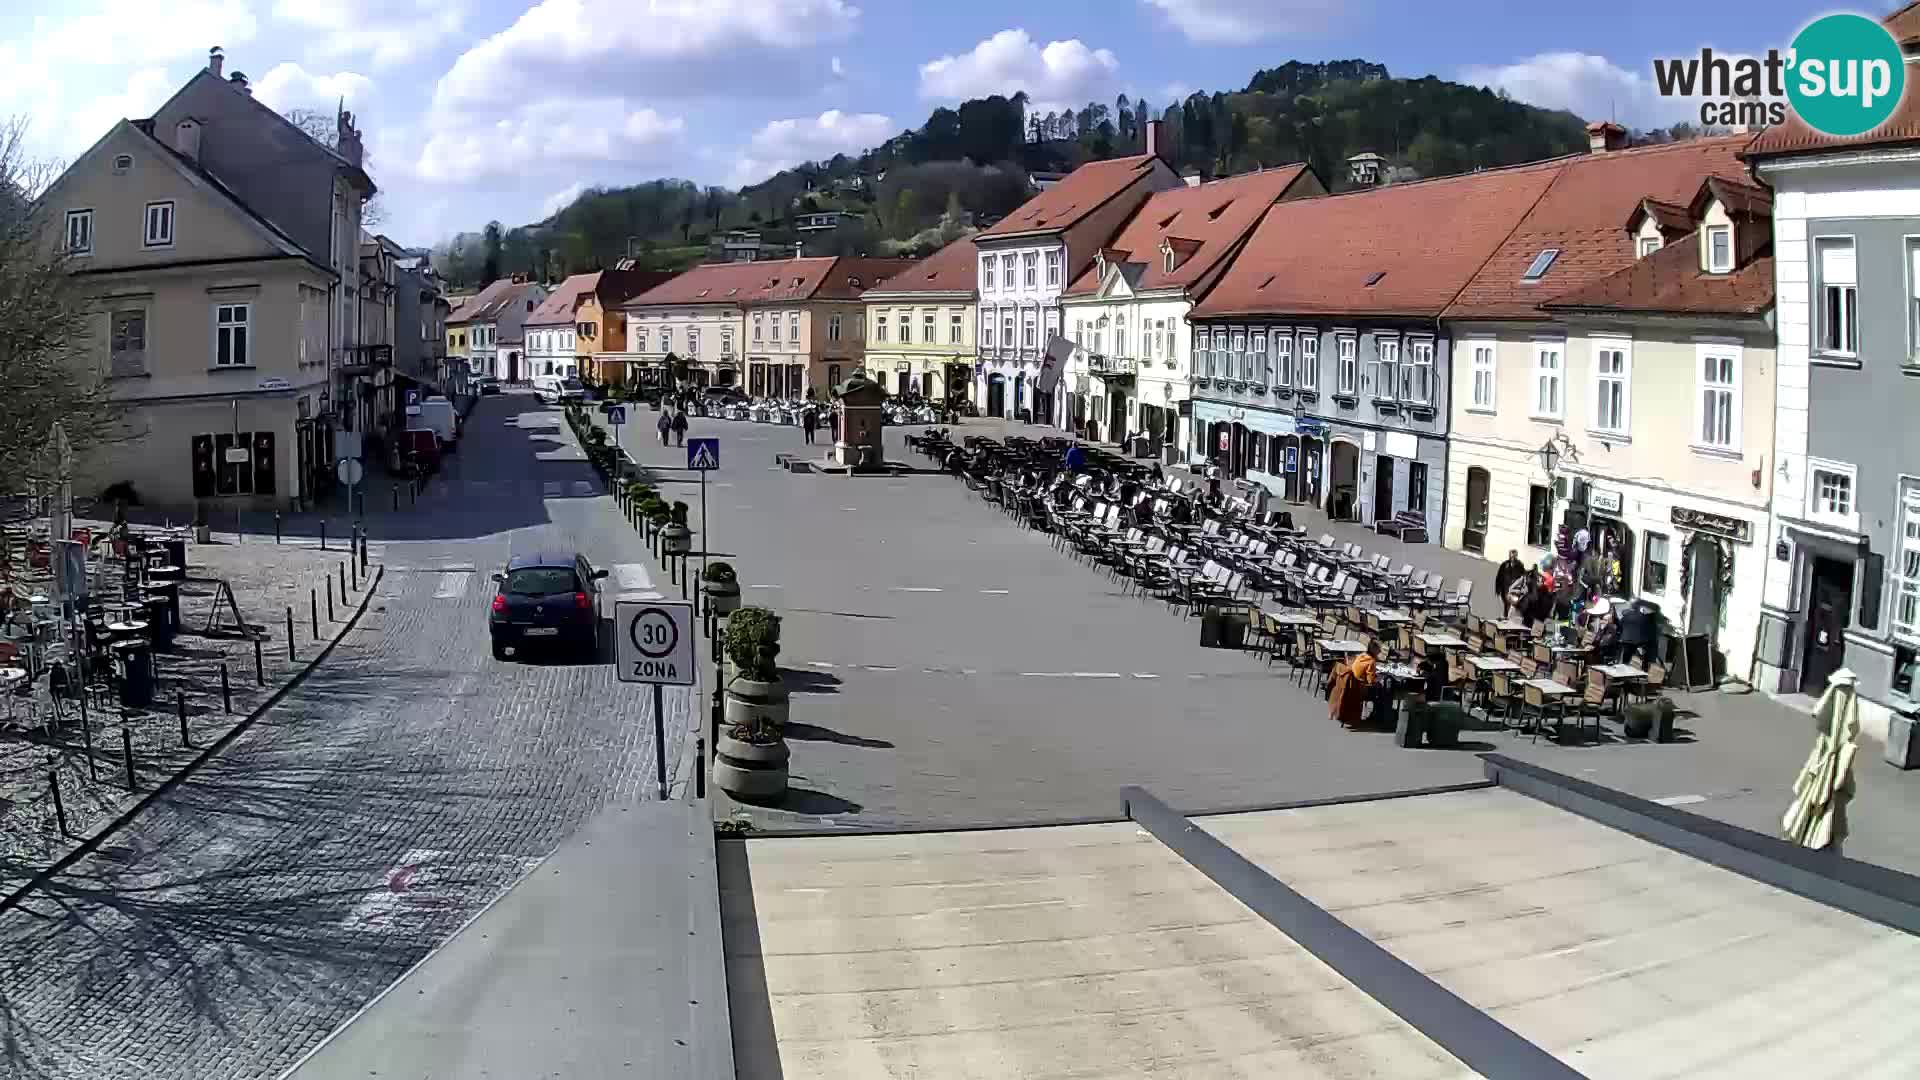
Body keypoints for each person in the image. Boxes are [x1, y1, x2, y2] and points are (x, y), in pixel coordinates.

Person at [1494, 550, 1527, 619]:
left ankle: (1507, 616)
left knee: (1510, 602)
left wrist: (1522, 586)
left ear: (1516, 556)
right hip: (1504, 587)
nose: (1512, 557)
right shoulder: (1505, 564)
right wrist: (1497, 589)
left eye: (1513, 556)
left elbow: (1523, 576)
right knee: (1505, 602)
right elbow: (1499, 576)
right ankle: (1505, 616)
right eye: (1511, 556)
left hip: (1513, 588)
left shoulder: (1520, 565)